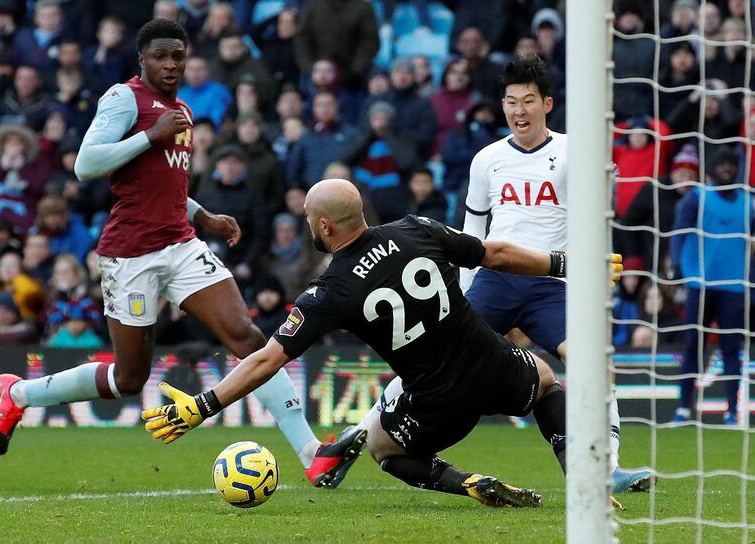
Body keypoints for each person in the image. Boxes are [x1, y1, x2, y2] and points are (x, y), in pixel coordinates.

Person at [0, 20, 364, 490]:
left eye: (178, 56)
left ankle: (313, 455)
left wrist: (204, 216)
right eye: (161, 56)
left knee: (249, 337)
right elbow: (85, 165)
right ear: (142, 60)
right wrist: (151, 134)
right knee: (129, 377)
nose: (170, 64)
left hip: (181, 245)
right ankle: (17, 393)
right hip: (130, 256)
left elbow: (161, 185)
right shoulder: (124, 99)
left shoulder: (180, 110)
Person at [142, 178, 595, 507]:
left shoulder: (328, 292)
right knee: (547, 380)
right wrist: (563, 263)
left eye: (309, 222)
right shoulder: (418, 228)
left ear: (326, 226)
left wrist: (203, 405)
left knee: (381, 447)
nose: (308, 228)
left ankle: (468, 483)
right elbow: (495, 254)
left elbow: (267, 359)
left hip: (438, 404)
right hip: (491, 363)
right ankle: (582, 486)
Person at [458, 56, 654, 495]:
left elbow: (596, 214)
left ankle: (608, 469)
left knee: (594, 359)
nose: (519, 110)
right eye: (511, 101)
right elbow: (473, 231)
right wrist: (463, 294)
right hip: (496, 276)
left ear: (547, 103)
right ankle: (366, 430)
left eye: (528, 100)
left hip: (552, 283)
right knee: (439, 353)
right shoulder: (486, 160)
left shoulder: (573, 151)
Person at [671, 147, 751, 425]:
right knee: (693, 345)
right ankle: (683, 410)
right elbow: (679, 232)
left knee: (731, 348)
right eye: (722, 164)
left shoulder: (748, 202)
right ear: (712, 168)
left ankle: (732, 412)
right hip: (700, 283)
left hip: (734, 288)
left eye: (731, 164)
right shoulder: (697, 197)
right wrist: (677, 267)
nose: (727, 168)